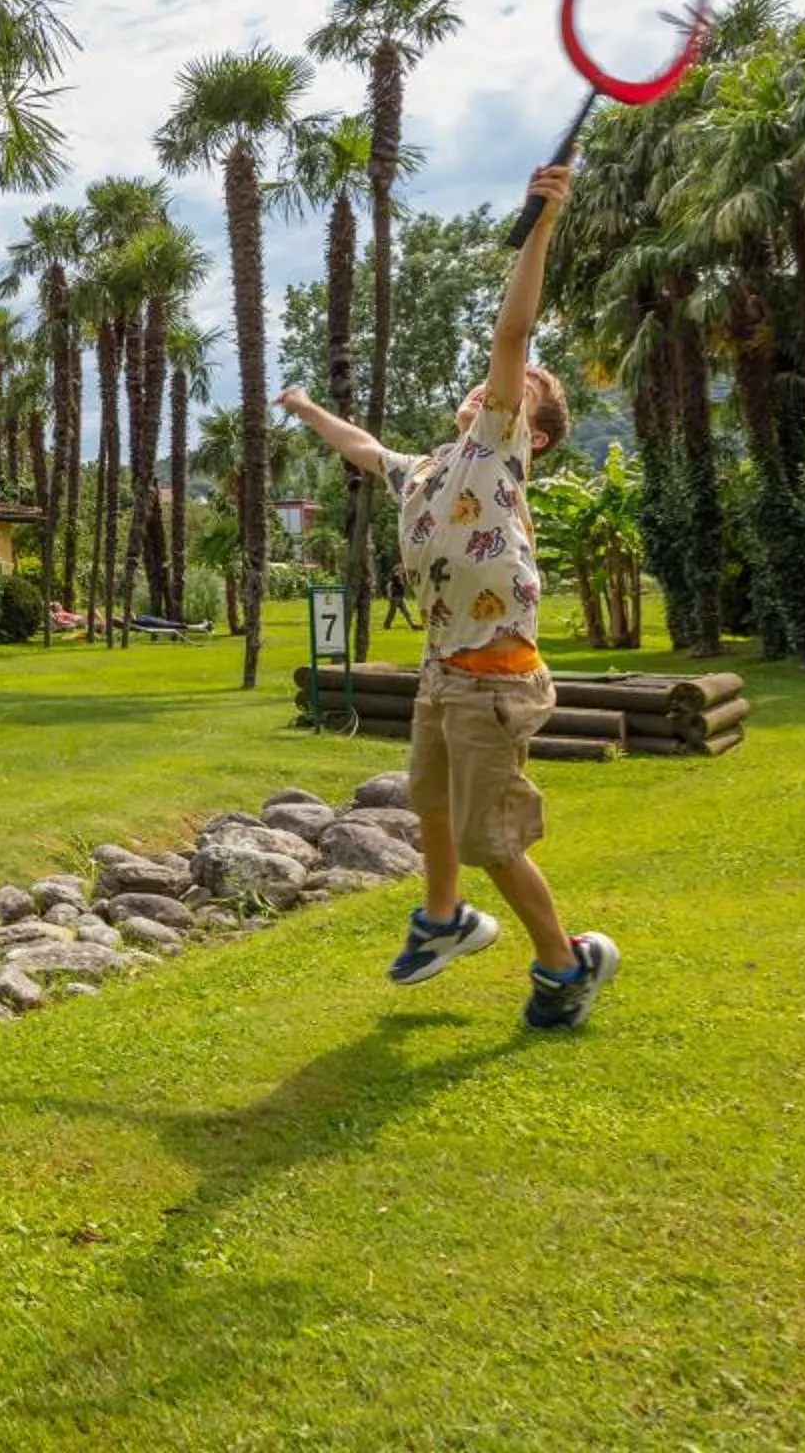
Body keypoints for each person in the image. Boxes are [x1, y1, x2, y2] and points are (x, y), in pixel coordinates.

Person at [277, 163, 619, 1031]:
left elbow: (513, 333)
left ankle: (566, 964)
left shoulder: (500, 452)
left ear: (529, 430)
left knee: (490, 845)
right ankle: (444, 921)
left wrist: (542, 222)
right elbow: (363, 449)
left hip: (495, 679)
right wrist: (310, 407)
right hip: (443, 673)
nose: (491, 383)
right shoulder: (431, 470)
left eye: (514, 388)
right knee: (426, 798)